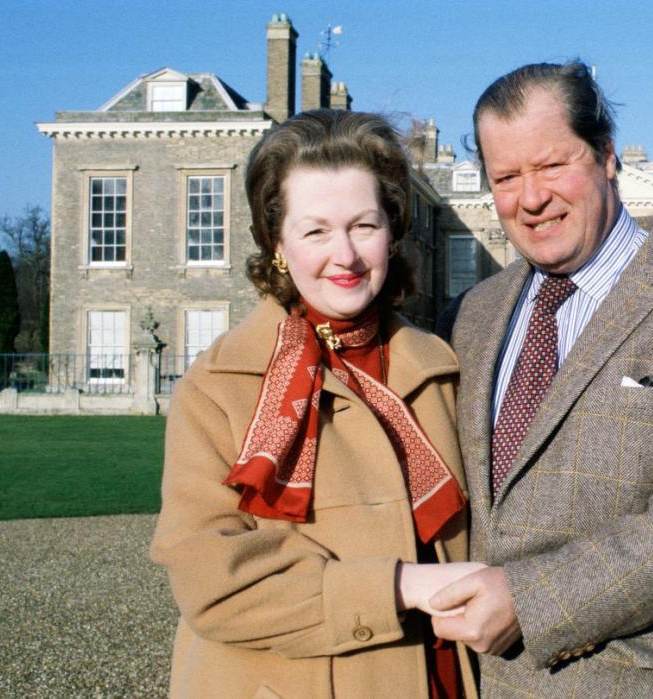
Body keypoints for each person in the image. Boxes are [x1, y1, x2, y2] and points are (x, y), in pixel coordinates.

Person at [429, 62, 653, 697]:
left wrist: (534, 600)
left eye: (551, 166)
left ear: (607, 157)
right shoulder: (470, 315)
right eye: (506, 177)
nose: (531, 197)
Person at [150, 110, 483, 698]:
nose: (346, 256)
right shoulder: (216, 387)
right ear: (277, 244)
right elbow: (216, 586)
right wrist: (401, 586)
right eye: (315, 231)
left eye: (363, 225)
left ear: (393, 231)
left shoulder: (441, 367)